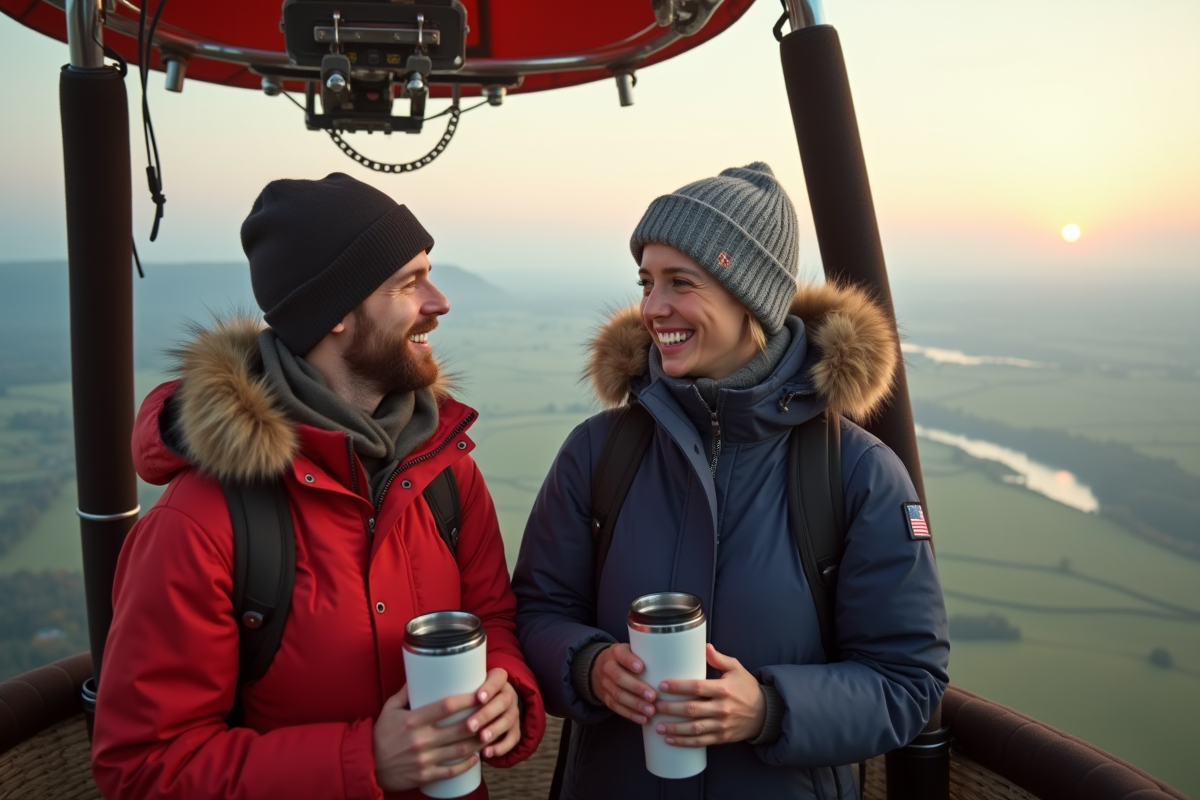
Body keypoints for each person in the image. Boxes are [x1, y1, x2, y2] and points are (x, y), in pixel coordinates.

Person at [92, 173, 545, 799]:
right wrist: (364, 763)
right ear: (333, 313)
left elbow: (491, 617)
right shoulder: (199, 522)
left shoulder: (444, 468)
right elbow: (144, 768)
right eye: (409, 283)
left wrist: (506, 683)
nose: (439, 302)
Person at [512, 163, 949, 799]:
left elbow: (907, 681)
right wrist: (587, 665)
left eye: (680, 282)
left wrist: (770, 710)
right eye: (646, 282)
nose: (652, 308)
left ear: (751, 298)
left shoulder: (857, 474)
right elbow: (536, 612)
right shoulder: (598, 452)